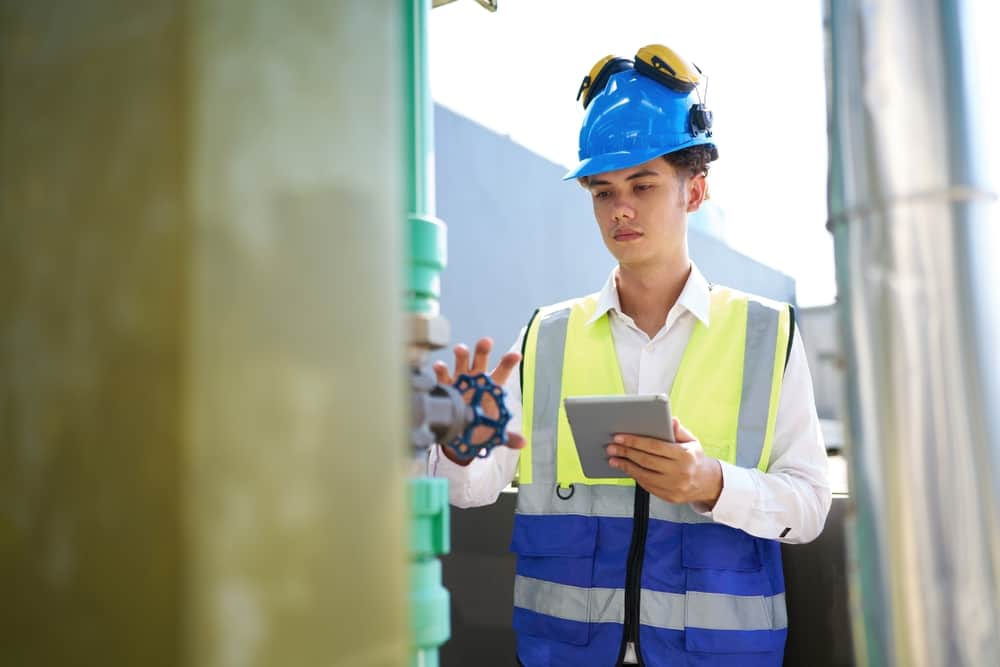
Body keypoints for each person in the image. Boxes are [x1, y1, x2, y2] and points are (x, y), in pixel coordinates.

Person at [428, 44, 831, 667]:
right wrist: (456, 445)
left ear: (694, 192)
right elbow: (473, 488)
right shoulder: (545, 337)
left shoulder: (766, 332)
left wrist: (712, 483)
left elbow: (808, 506)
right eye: (602, 190)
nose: (620, 208)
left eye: (642, 184)